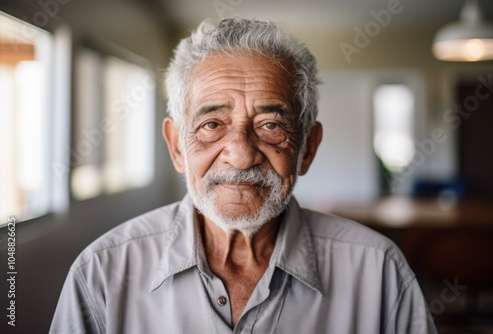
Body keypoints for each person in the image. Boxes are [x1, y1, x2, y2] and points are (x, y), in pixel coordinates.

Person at [50, 18, 436, 333]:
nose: (240, 154)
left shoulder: (378, 270)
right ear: (177, 146)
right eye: (212, 124)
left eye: (270, 125)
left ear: (308, 149)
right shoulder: (102, 272)